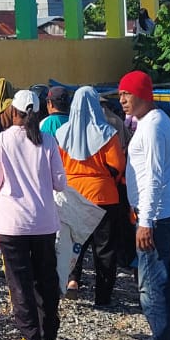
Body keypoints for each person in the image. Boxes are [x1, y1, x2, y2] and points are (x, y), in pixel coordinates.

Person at [0, 89, 67, 340]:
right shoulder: (48, 141)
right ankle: (49, 328)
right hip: (45, 222)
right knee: (46, 278)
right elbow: (60, 183)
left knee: (20, 282)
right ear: (36, 113)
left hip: (12, 224)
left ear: (13, 112)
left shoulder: (4, 140)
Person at [116, 70, 170, 340]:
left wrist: (145, 221)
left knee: (153, 286)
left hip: (158, 218)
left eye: (127, 93)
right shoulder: (160, 120)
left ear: (142, 95)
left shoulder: (150, 128)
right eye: (120, 94)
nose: (122, 100)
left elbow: (152, 179)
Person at [56, 86, 130, 306]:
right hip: (103, 196)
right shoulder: (107, 134)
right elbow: (117, 165)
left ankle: (72, 282)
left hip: (71, 195)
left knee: (74, 242)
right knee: (105, 249)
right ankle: (103, 296)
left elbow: (57, 165)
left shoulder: (62, 133)